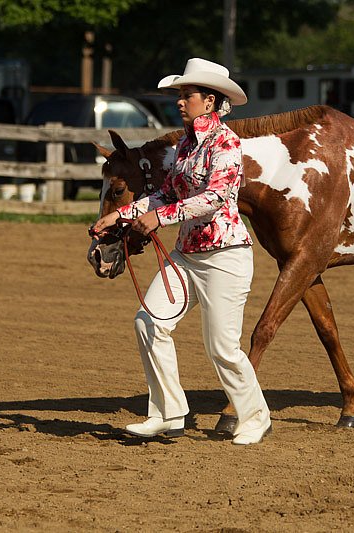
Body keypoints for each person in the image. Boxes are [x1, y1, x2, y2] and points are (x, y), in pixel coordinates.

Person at [91, 58, 271, 445]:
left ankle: (255, 415)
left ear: (209, 101)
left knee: (222, 348)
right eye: (180, 95)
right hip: (187, 256)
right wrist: (120, 216)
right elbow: (166, 194)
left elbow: (215, 198)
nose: (180, 102)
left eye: (186, 95)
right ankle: (168, 413)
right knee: (149, 322)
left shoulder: (227, 144)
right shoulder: (187, 144)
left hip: (225, 256)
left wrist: (160, 218)